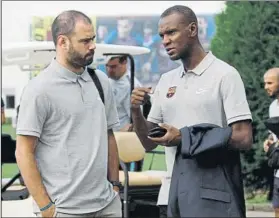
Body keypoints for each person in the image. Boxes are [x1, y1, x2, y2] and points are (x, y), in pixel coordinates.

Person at [131, 5, 253, 217]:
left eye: (171, 32)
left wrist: (185, 137)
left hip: (212, 197)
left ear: (193, 29)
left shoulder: (225, 75)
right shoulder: (166, 80)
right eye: (162, 35)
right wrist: (135, 112)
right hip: (170, 193)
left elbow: (244, 138)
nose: (165, 40)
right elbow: (149, 142)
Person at [15, 10, 122, 218]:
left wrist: (115, 186)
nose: (92, 46)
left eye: (93, 39)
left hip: (107, 206)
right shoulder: (39, 89)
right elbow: (23, 152)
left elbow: (109, 136)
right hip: (63, 210)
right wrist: (46, 208)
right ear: (62, 42)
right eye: (85, 41)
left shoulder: (100, 81)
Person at [106, 55, 141, 132]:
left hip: (120, 136)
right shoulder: (109, 81)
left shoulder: (131, 86)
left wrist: (120, 134)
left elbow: (136, 120)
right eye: (107, 66)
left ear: (124, 62)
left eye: (113, 67)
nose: (109, 70)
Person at [263, 68, 279, 217]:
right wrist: (268, 142)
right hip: (278, 171)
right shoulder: (273, 107)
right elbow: (273, 134)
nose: (266, 87)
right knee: (277, 208)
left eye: (270, 83)